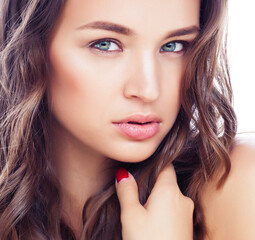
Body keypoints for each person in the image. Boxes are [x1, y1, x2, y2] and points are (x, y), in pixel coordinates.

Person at [0, 0, 254, 239]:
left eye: (173, 45)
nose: (148, 90)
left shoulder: (236, 185)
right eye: (106, 44)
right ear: (29, 49)